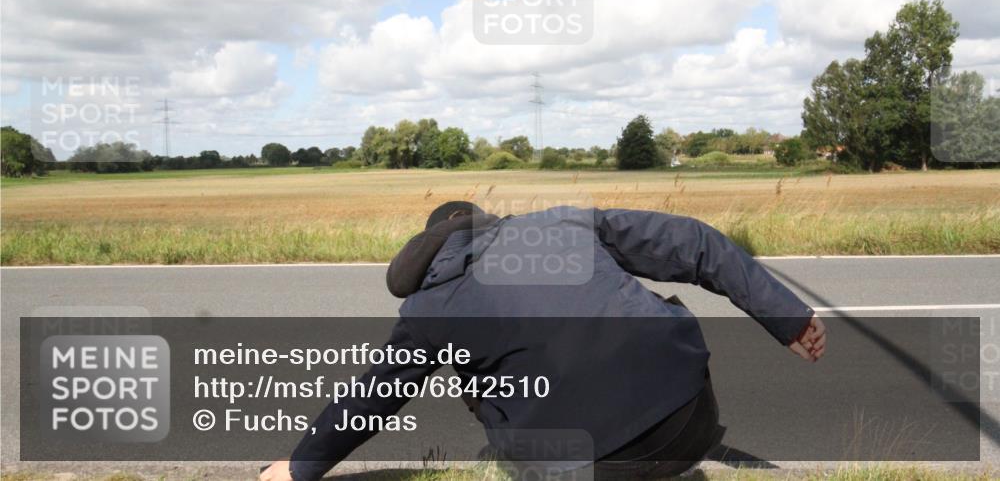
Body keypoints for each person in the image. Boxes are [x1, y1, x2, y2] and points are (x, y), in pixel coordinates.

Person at [261, 201, 826, 481]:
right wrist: (787, 316)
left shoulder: (426, 310)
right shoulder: (563, 223)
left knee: (486, 379)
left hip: (587, 466)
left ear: (428, 262)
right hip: (689, 418)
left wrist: (296, 468)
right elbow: (694, 242)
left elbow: (371, 401)